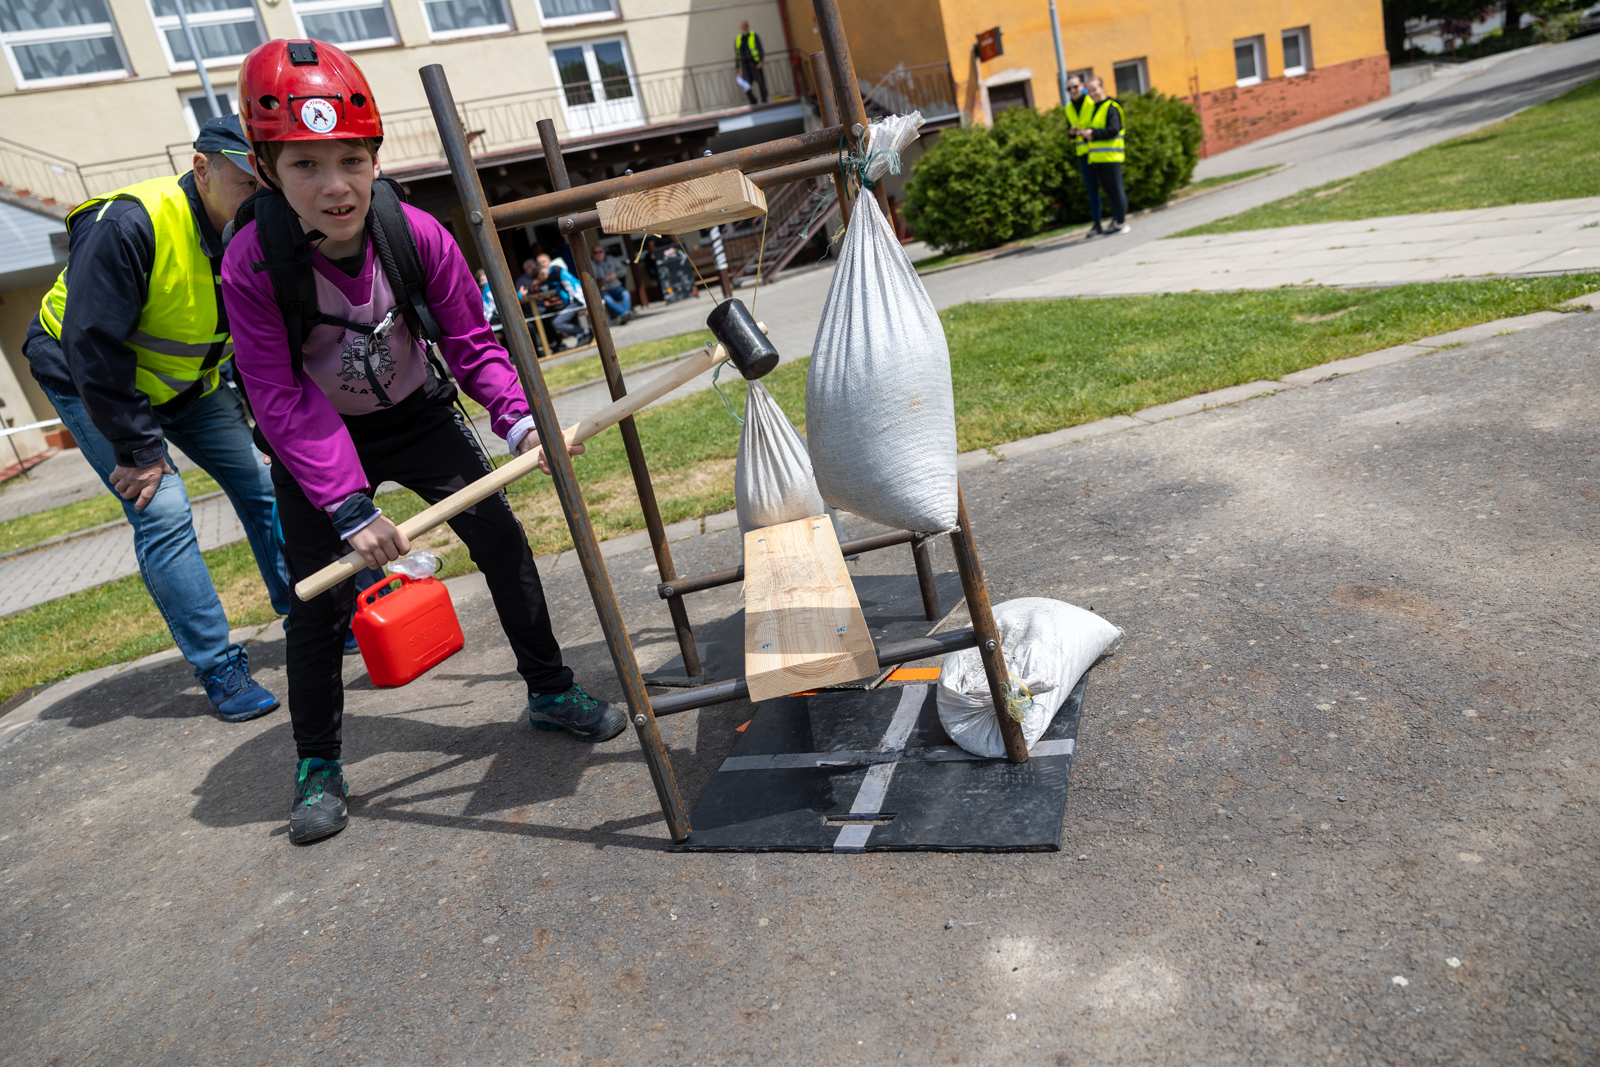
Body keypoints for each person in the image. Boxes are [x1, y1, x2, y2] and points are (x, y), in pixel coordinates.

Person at [221, 38, 626, 846]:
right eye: (305, 165)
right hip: (318, 442)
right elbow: (278, 394)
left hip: (419, 415)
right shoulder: (251, 265)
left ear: (375, 157)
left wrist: (517, 421)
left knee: (504, 545)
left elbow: (473, 342)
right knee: (318, 608)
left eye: (350, 160)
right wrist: (344, 502)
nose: (335, 186)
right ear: (268, 170)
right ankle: (317, 764)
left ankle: (549, 690)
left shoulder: (417, 234)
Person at [22, 115, 290, 722]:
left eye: (268, 180)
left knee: (263, 482)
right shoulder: (129, 222)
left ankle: (306, 605)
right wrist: (139, 448)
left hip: (187, 385)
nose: (260, 195)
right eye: (247, 181)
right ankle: (219, 666)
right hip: (89, 377)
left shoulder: (264, 229)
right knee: (163, 510)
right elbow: (91, 343)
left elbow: (253, 335)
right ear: (202, 169)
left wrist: (267, 424)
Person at [1076, 76, 1130, 236]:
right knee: (1110, 192)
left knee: (1116, 190)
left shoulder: (1111, 107)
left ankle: (1121, 223)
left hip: (1112, 157)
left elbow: (1114, 129)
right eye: (1089, 90)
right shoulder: (1093, 108)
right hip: (1098, 158)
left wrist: (1093, 133)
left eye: (1095, 89)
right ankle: (1116, 221)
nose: (1092, 93)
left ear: (1103, 88)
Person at [1062, 74, 1103, 237]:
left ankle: (1117, 220)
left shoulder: (1092, 102)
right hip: (1083, 154)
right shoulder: (1068, 108)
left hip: (1098, 150)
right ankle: (1097, 224)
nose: (1072, 90)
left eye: (1075, 87)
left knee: (1109, 187)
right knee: (1092, 190)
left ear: (1082, 86)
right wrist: (1071, 133)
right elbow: (1070, 131)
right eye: (1069, 88)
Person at [535, 252, 591, 349]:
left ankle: (585, 332)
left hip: (578, 300)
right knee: (554, 318)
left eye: (543, 262)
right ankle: (580, 335)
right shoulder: (556, 269)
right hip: (574, 301)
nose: (542, 265)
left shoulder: (554, 271)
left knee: (557, 323)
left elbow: (548, 286)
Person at [590, 244, 632, 324]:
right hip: (603, 290)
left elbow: (623, 270)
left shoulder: (612, 259)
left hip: (617, 287)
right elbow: (591, 279)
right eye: (595, 253)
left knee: (626, 294)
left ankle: (625, 314)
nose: (598, 254)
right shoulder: (590, 265)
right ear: (592, 254)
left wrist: (616, 274)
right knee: (606, 299)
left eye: (600, 251)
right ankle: (624, 314)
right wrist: (604, 279)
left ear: (604, 252)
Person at [736, 21, 767, 106]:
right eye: (742, 26)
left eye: (745, 26)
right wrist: (737, 67)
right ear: (740, 28)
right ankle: (753, 101)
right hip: (745, 66)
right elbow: (737, 54)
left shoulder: (753, 35)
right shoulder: (738, 39)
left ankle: (764, 100)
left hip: (755, 63)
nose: (744, 27)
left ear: (748, 26)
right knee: (746, 86)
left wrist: (761, 60)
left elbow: (760, 48)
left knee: (761, 82)